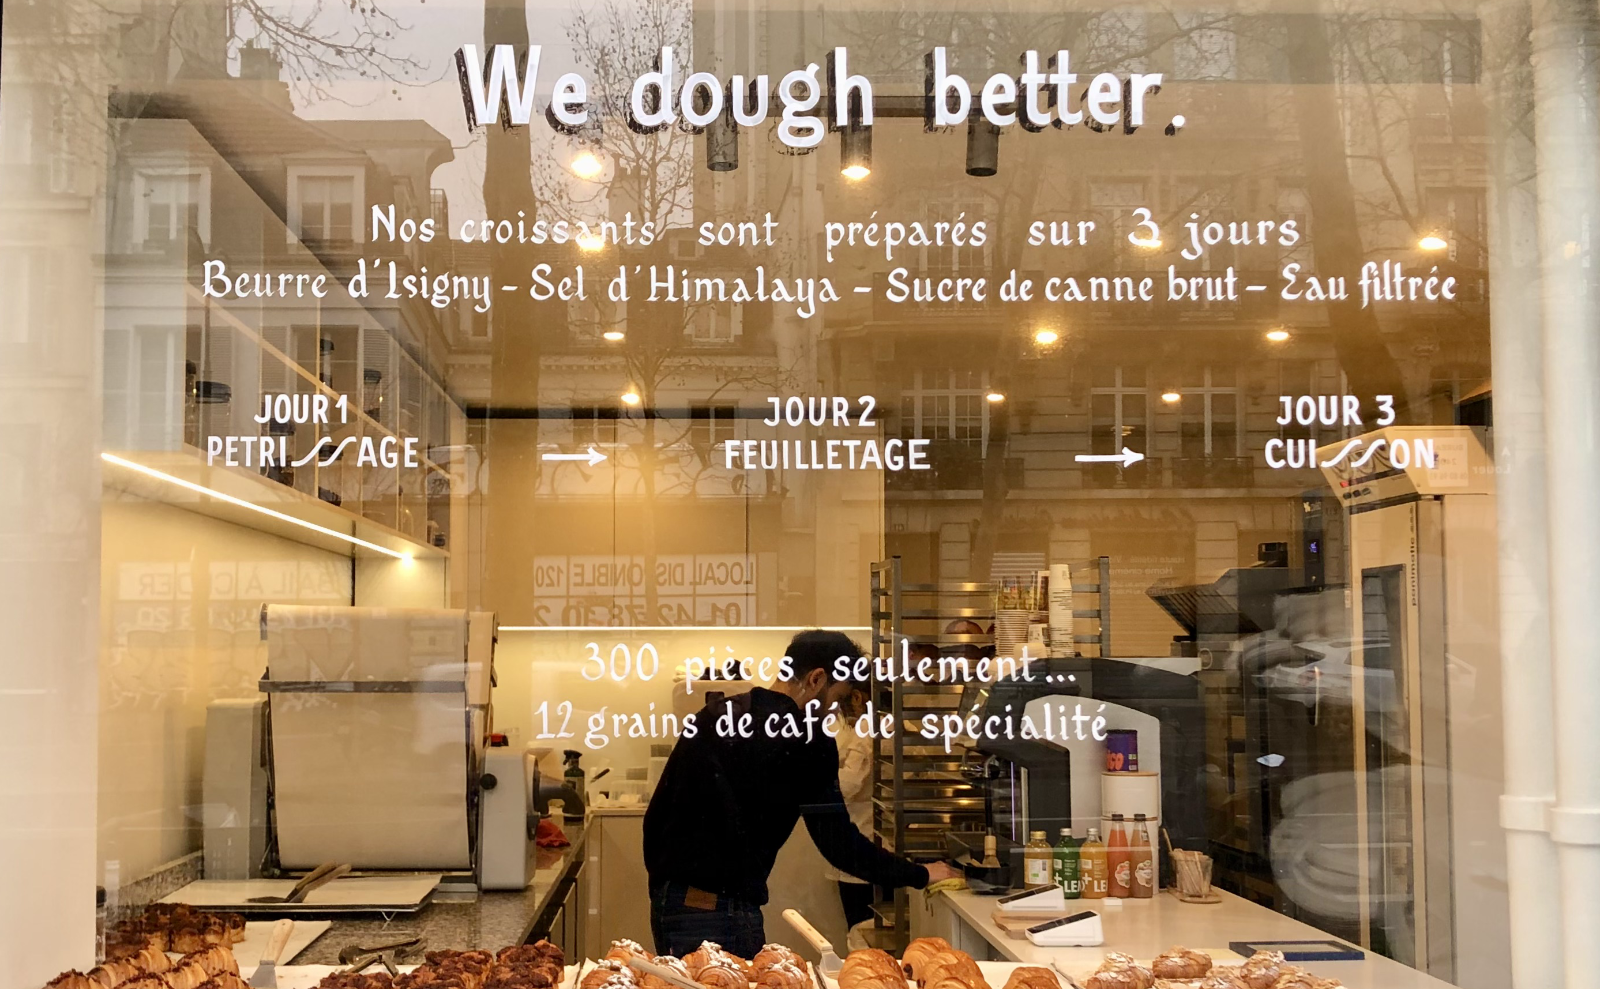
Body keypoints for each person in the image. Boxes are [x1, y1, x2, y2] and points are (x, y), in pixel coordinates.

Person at [643, 629, 961, 957]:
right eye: (837, 700)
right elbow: (840, 845)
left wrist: (666, 886)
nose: (834, 713)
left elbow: (656, 816)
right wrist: (921, 873)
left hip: (669, 905)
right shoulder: (807, 742)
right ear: (816, 679)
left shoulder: (715, 714)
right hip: (724, 913)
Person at [822, 683, 877, 931]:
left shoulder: (868, 729)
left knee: (860, 929)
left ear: (857, 697)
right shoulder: (882, 726)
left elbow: (848, 785)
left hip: (862, 842)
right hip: (866, 844)